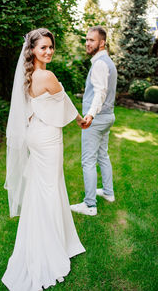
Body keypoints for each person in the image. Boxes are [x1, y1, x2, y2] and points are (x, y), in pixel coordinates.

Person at [2, 28, 87, 291]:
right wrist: (81, 120)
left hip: (34, 135)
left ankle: (53, 240)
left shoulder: (26, 76)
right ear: (33, 50)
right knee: (50, 190)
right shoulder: (47, 76)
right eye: (43, 48)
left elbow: (28, 109)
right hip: (48, 139)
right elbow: (65, 103)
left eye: (51, 47)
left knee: (41, 189)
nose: (48, 51)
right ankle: (50, 249)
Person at [70, 26, 117, 217]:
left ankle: (89, 205)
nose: (87, 43)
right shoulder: (107, 62)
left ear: (102, 42)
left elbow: (100, 92)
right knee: (102, 156)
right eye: (86, 39)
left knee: (88, 161)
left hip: (96, 120)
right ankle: (108, 192)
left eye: (91, 40)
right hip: (108, 116)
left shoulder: (99, 64)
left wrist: (90, 114)